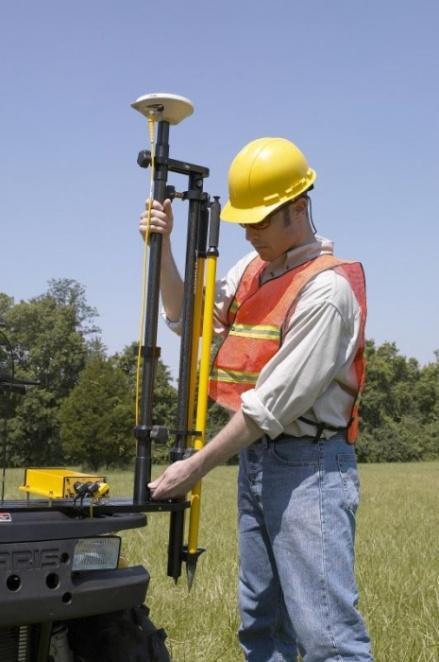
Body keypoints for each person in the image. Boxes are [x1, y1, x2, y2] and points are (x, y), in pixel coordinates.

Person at [140, 137, 373, 662]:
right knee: (261, 626)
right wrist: (165, 248)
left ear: (298, 207)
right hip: (259, 459)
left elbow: (270, 406)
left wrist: (195, 466)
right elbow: (188, 321)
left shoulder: (327, 292)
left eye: (261, 222)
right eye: (244, 222)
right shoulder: (251, 271)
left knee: (327, 638)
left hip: (310, 465)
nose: (249, 233)